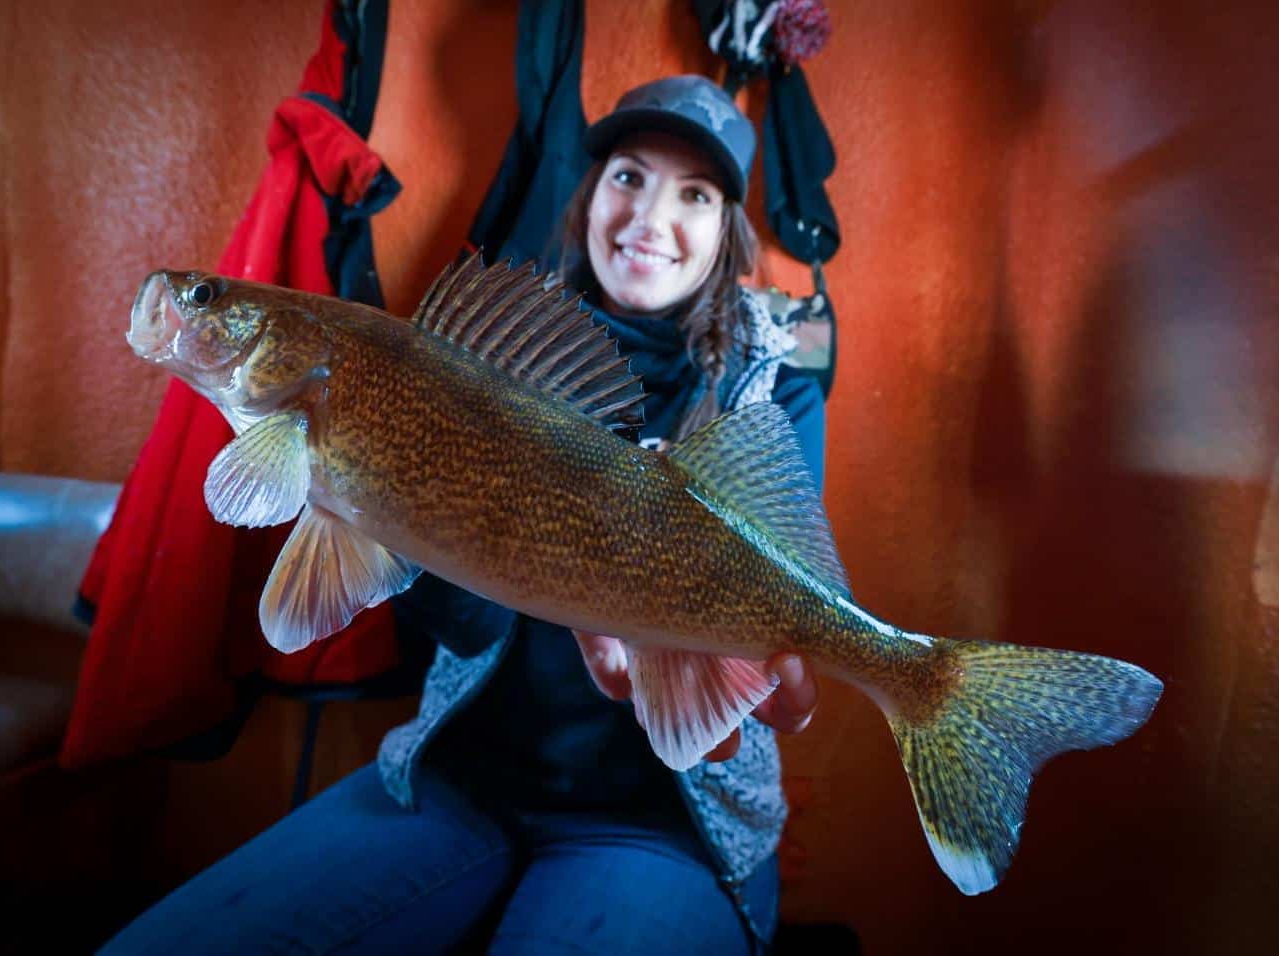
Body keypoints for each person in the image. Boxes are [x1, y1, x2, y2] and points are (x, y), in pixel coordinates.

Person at [101, 75, 827, 955]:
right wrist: (407, 504)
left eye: (697, 194)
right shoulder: (469, 359)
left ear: (727, 235)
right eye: (629, 175)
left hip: (663, 824)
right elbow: (462, 622)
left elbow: (791, 612)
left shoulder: (773, 392)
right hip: (460, 782)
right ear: (590, 193)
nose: (651, 217)